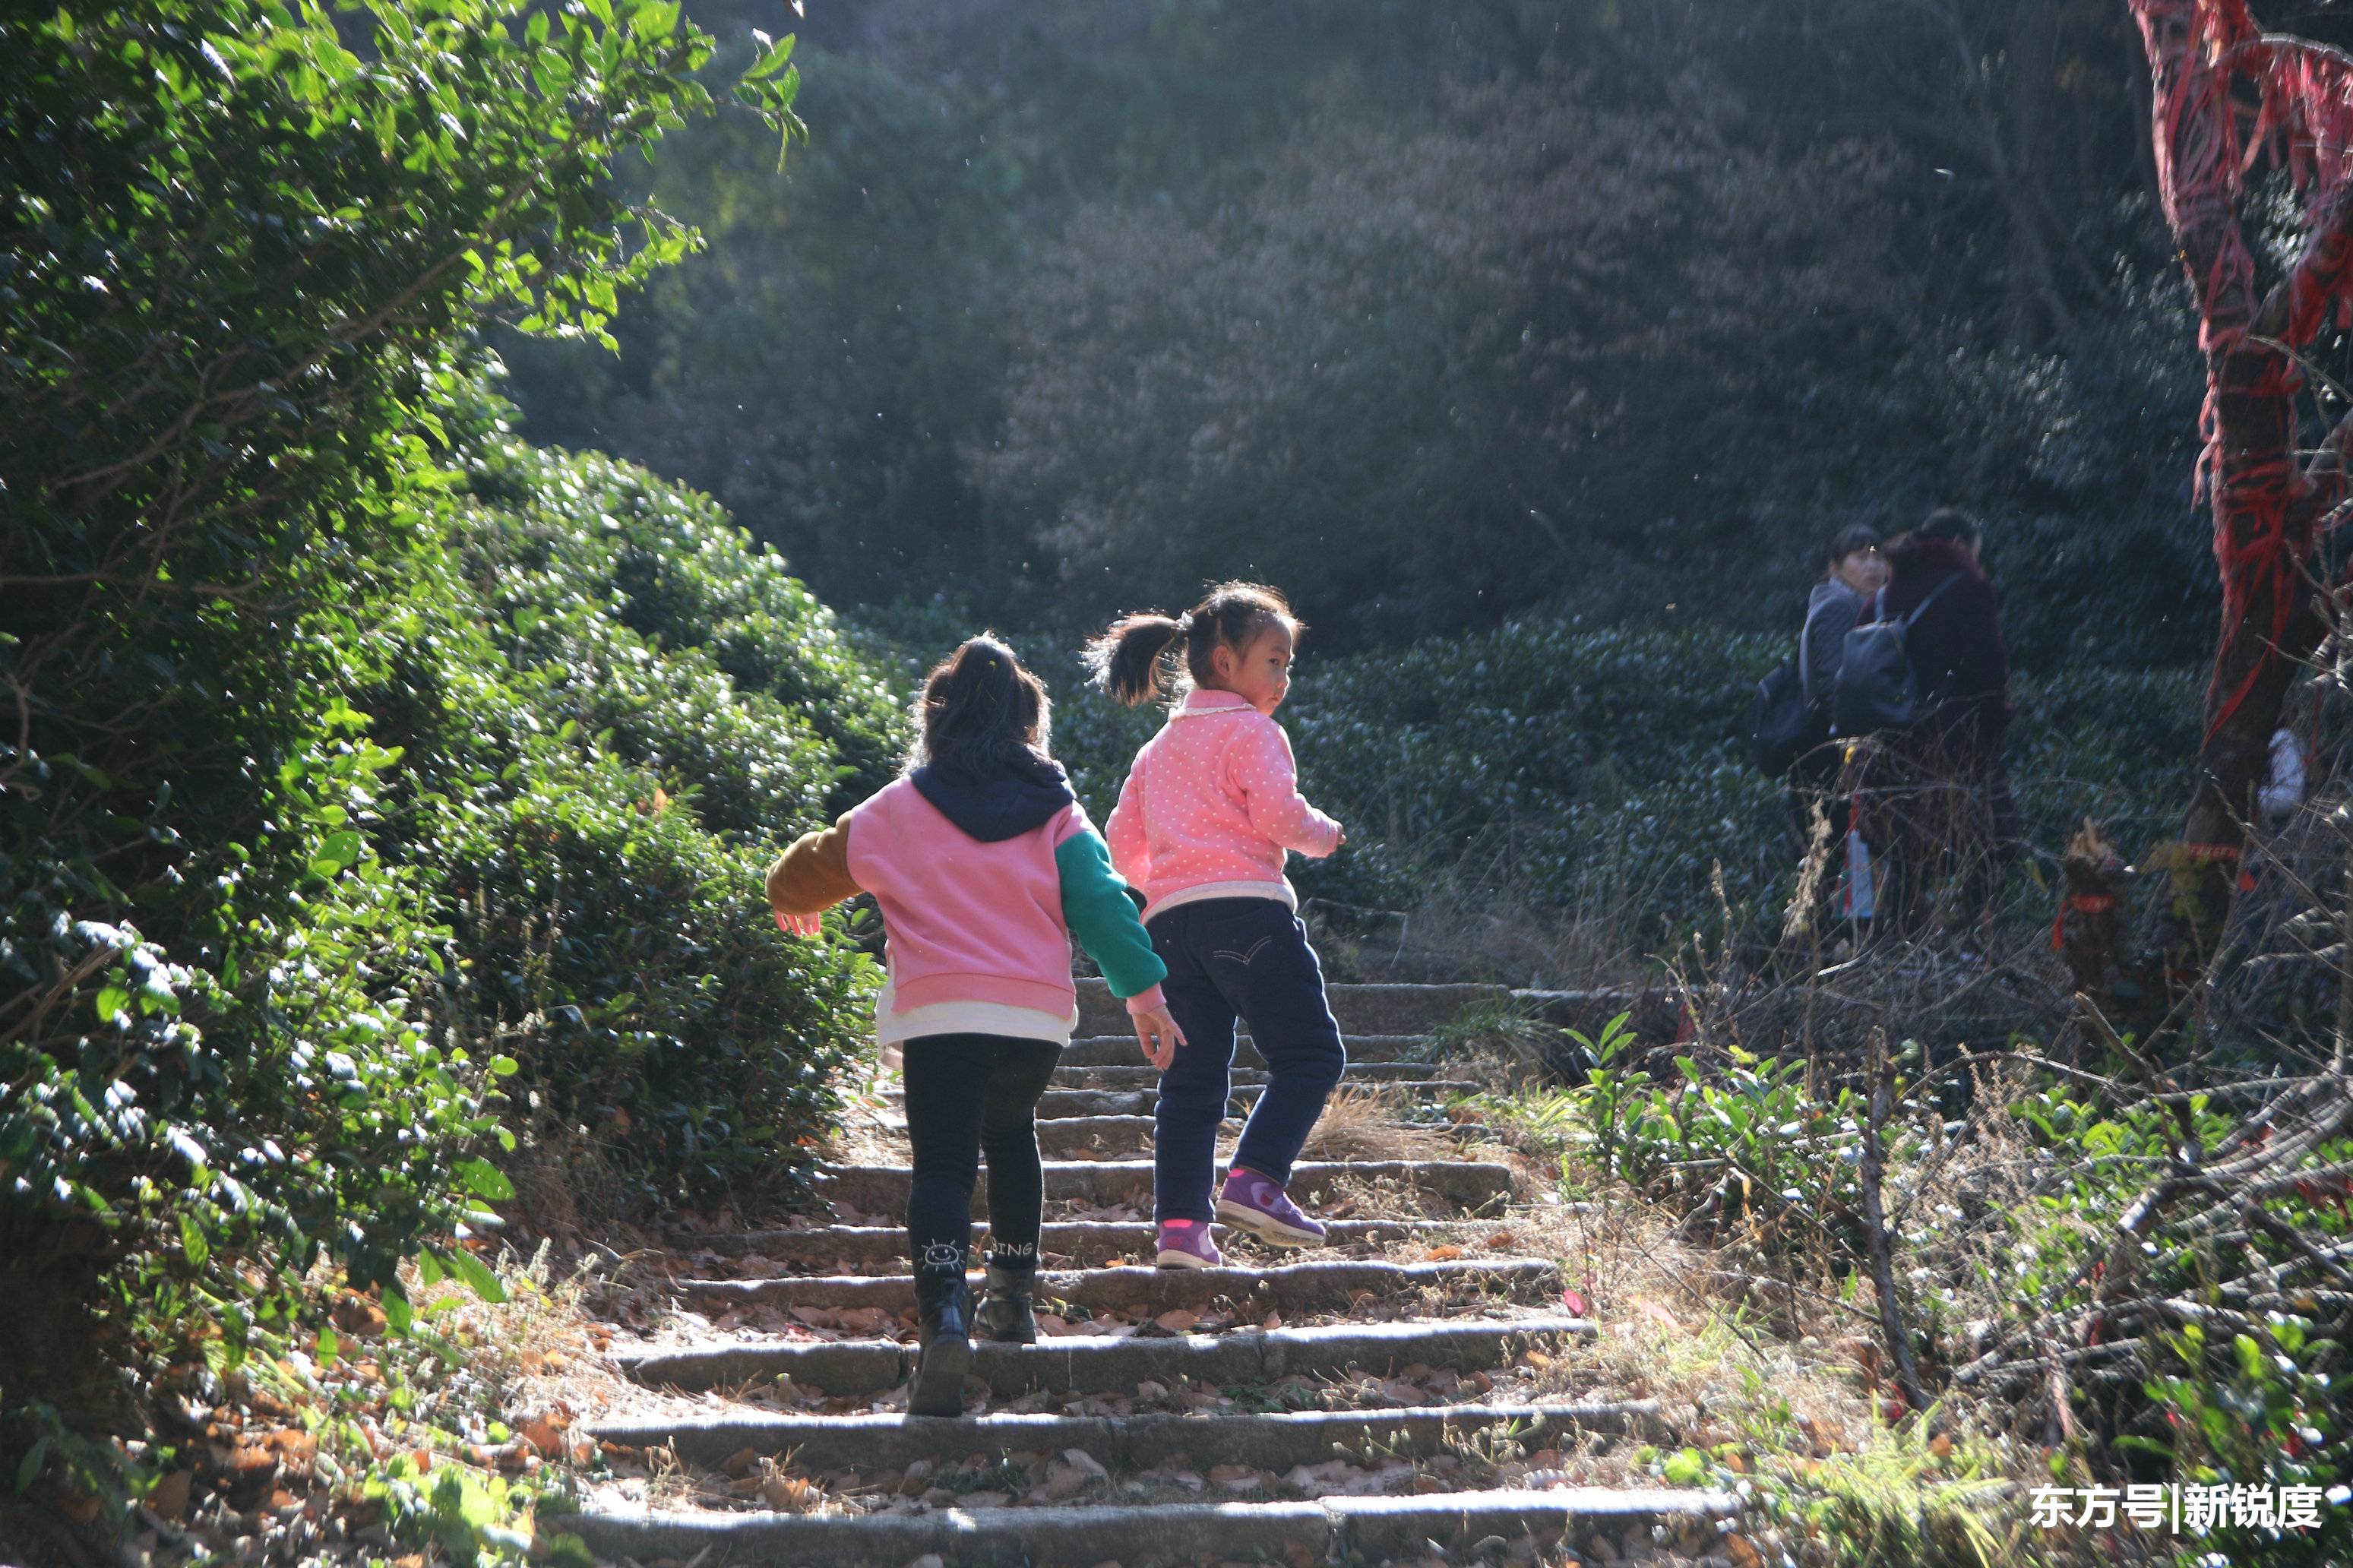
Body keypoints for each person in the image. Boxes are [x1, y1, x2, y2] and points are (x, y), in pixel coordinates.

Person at [765, 636, 1181, 1417]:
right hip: (1029, 1019)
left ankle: (945, 1316)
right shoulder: (1057, 812)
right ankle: (1013, 1301)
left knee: (945, 1170)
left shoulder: (896, 808)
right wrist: (1145, 997)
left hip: (940, 1015)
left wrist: (800, 896)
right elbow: (1101, 905)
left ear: (937, 721)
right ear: (1031, 725)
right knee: (1012, 1135)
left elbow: (799, 872)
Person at [1086, 583, 1348, 1271]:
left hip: (1168, 932)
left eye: (1288, 665)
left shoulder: (1157, 749)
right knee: (1311, 1055)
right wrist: (1324, 836)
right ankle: (1256, 1178)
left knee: (1191, 1084)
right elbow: (1279, 818)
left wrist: (1172, 881)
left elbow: (1120, 845)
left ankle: (1179, 1230)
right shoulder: (1253, 731)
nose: (1283, 679)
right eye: (1275, 661)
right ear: (1226, 663)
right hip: (1247, 913)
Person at [1861, 507, 2020, 934]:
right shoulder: (1968, 588)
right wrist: (1998, 718)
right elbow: (1990, 665)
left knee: (1907, 851)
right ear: (1961, 548)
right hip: (1956, 742)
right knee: (1992, 844)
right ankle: (1976, 943)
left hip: (1891, 746)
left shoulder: (1882, 596)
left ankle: (1899, 949)